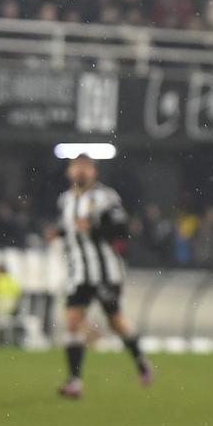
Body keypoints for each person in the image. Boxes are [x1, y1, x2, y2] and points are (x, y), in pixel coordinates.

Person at [50, 154, 153, 398]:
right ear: (69, 172)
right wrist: (58, 233)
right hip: (79, 272)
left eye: (85, 167)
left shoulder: (106, 198)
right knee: (72, 321)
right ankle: (74, 381)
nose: (80, 171)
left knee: (115, 322)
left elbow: (122, 228)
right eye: (77, 167)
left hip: (106, 272)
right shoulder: (65, 200)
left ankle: (140, 361)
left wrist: (95, 228)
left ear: (94, 172)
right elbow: (68, 229)